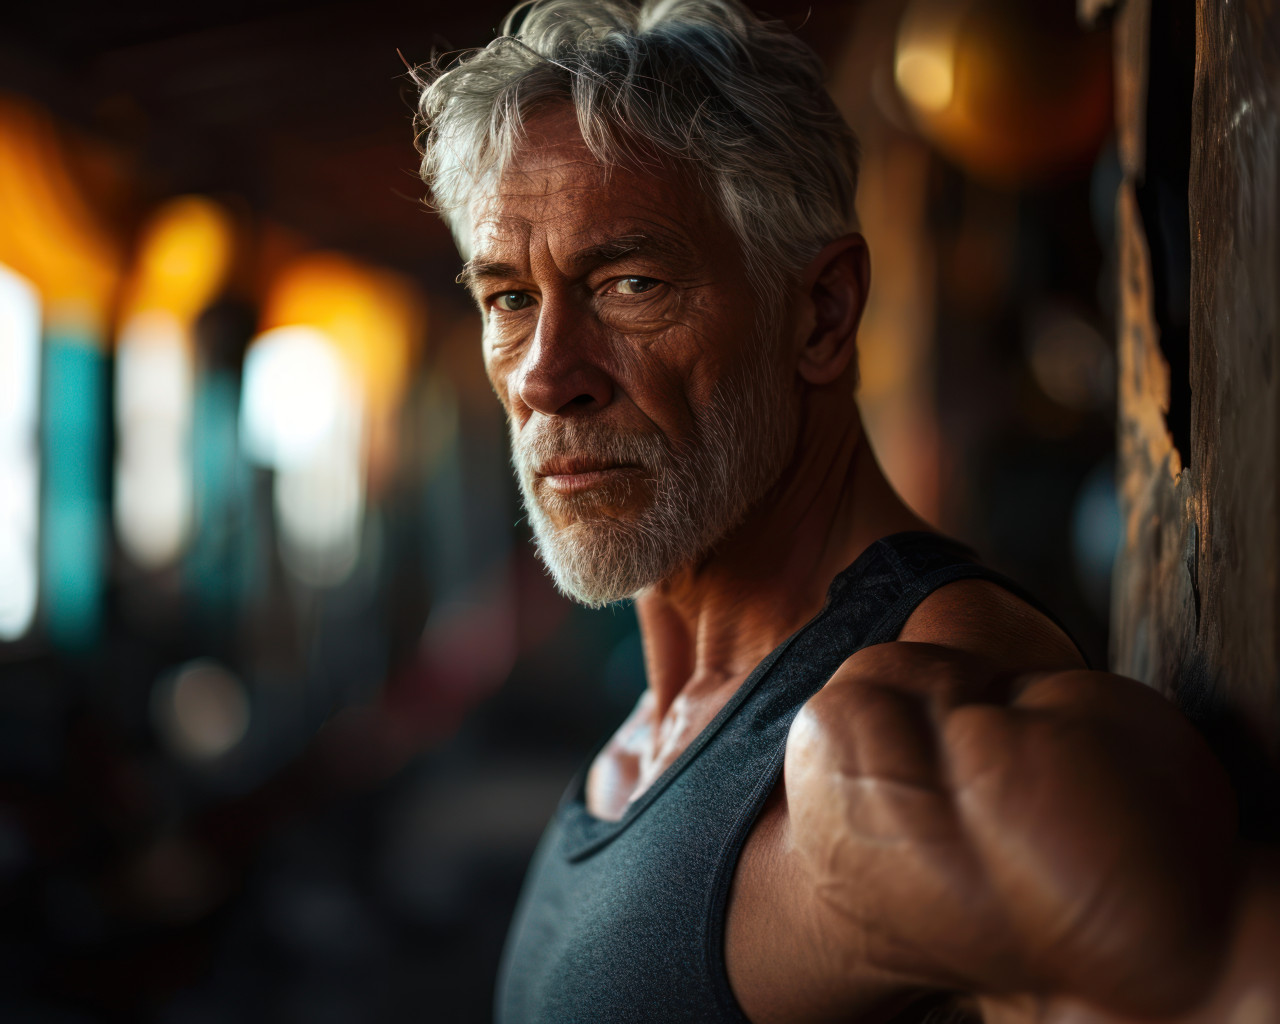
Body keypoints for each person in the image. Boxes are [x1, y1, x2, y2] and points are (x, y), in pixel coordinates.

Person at [412, 1, 1279, 1020]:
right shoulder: (666, 719)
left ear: (819, 314)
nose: (547, 375)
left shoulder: (873, 745)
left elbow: (1217, 980)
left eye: (630, 283)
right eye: (509, 299)